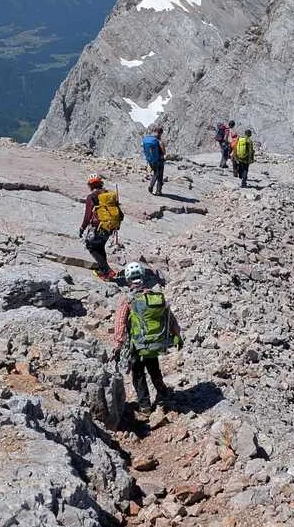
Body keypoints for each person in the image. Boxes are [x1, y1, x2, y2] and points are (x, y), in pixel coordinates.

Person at [113, 261, 182, 414]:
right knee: (154, 369)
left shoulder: (128, 298)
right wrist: (177, 334)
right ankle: (163, 394)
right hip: (154, 343)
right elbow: (169, 317)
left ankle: (145, 406)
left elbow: (120, 322)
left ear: (127, 279)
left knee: (138, 373)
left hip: (136, 344)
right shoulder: (154, 296)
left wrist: (118, 343)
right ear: (143, 276)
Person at [78, 173, 123, 280]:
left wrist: (82, 228)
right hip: (110, 226)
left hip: (98, 227)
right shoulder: (108, 194)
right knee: (100, 246)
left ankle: (108, 271)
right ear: (100, 183)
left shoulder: (91, 197)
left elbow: (87, 216)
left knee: (91, 247)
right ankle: (103, 270)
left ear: (90, 185)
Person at [141, 126, 166, 196]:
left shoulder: (148, 139)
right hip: (159, 160)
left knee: (156, 172)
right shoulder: (159, 141)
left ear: (154, 131)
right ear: (160, 133)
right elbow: (164, 152)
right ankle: (154, 188)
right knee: (159, 175)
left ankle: (156, 190)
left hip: (151, 160)